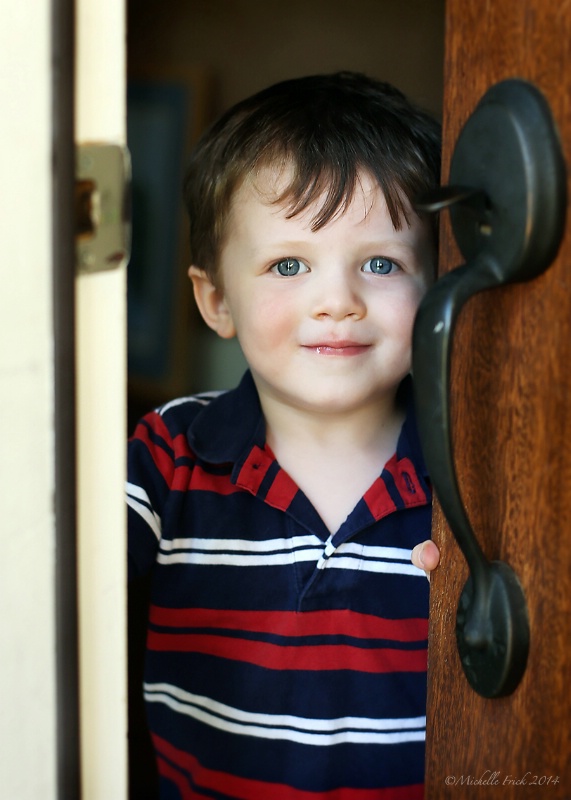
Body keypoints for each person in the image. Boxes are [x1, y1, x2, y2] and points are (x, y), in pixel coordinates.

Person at [127, 71, 441, 799]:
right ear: (215, 299)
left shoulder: (468, 472)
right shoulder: (169, 456)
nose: (337, 301)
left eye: (381, 263)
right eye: (289, 264)